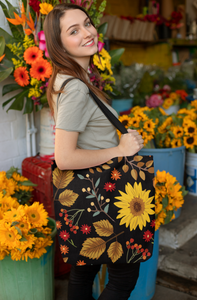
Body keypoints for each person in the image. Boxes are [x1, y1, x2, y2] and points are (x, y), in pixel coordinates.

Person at [44, 3, 144, 300]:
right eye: (74, 31)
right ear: (59, 43)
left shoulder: (68, 80)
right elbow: (64, 157)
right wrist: (120, 149)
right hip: (102, 194)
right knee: (124, 277)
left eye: (87, 24)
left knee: (84, 271)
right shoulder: (75, 87)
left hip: (88, 195)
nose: (88, 32)